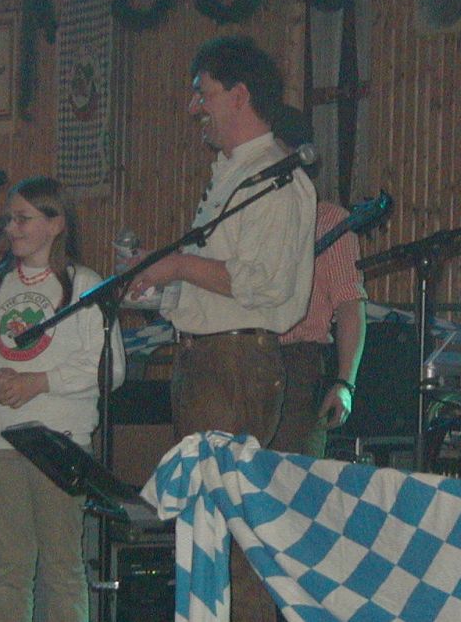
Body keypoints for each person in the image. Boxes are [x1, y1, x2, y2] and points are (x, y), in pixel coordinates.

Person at [128, 35, 316, 622]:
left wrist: (179, 266)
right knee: (206, 527)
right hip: (208, 360)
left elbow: (265, 285)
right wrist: (158, 285)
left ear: (239, 95)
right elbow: (218, 281)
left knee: (235, 534)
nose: (194, 108)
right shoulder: (233, 175)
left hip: (234, 366)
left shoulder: (275, 178)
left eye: (201, 94)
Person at [0, 176, 125, 622]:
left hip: (58, 442)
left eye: (23, 219)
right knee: (9, 569)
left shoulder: (85, 286)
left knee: (62, 567)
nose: (12, 228)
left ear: (56, 223)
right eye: (9, 219)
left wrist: (40, 382)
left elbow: (109, 369)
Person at [266, 105, 368, 457]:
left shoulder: (329, 221)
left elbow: (350, 306)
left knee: (291, 476)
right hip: (248, 356)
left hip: (298, 365)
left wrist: (344, 382)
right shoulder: (253, 222)